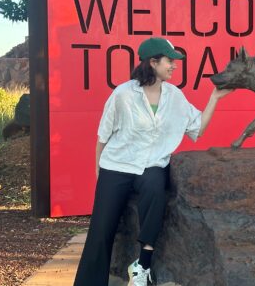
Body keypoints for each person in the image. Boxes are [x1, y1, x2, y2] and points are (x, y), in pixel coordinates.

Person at [74, 37, 232, 286]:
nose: (174, 66)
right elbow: (103, 135)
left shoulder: (175, 96)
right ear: (153, 62)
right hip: (117, 165)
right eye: (170, 61)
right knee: (101, 229)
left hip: (152, 166)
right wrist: (99, 171)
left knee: (155, 192)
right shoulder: (123, 94)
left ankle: (142, 266)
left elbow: (197, 129)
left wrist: (215, 98)